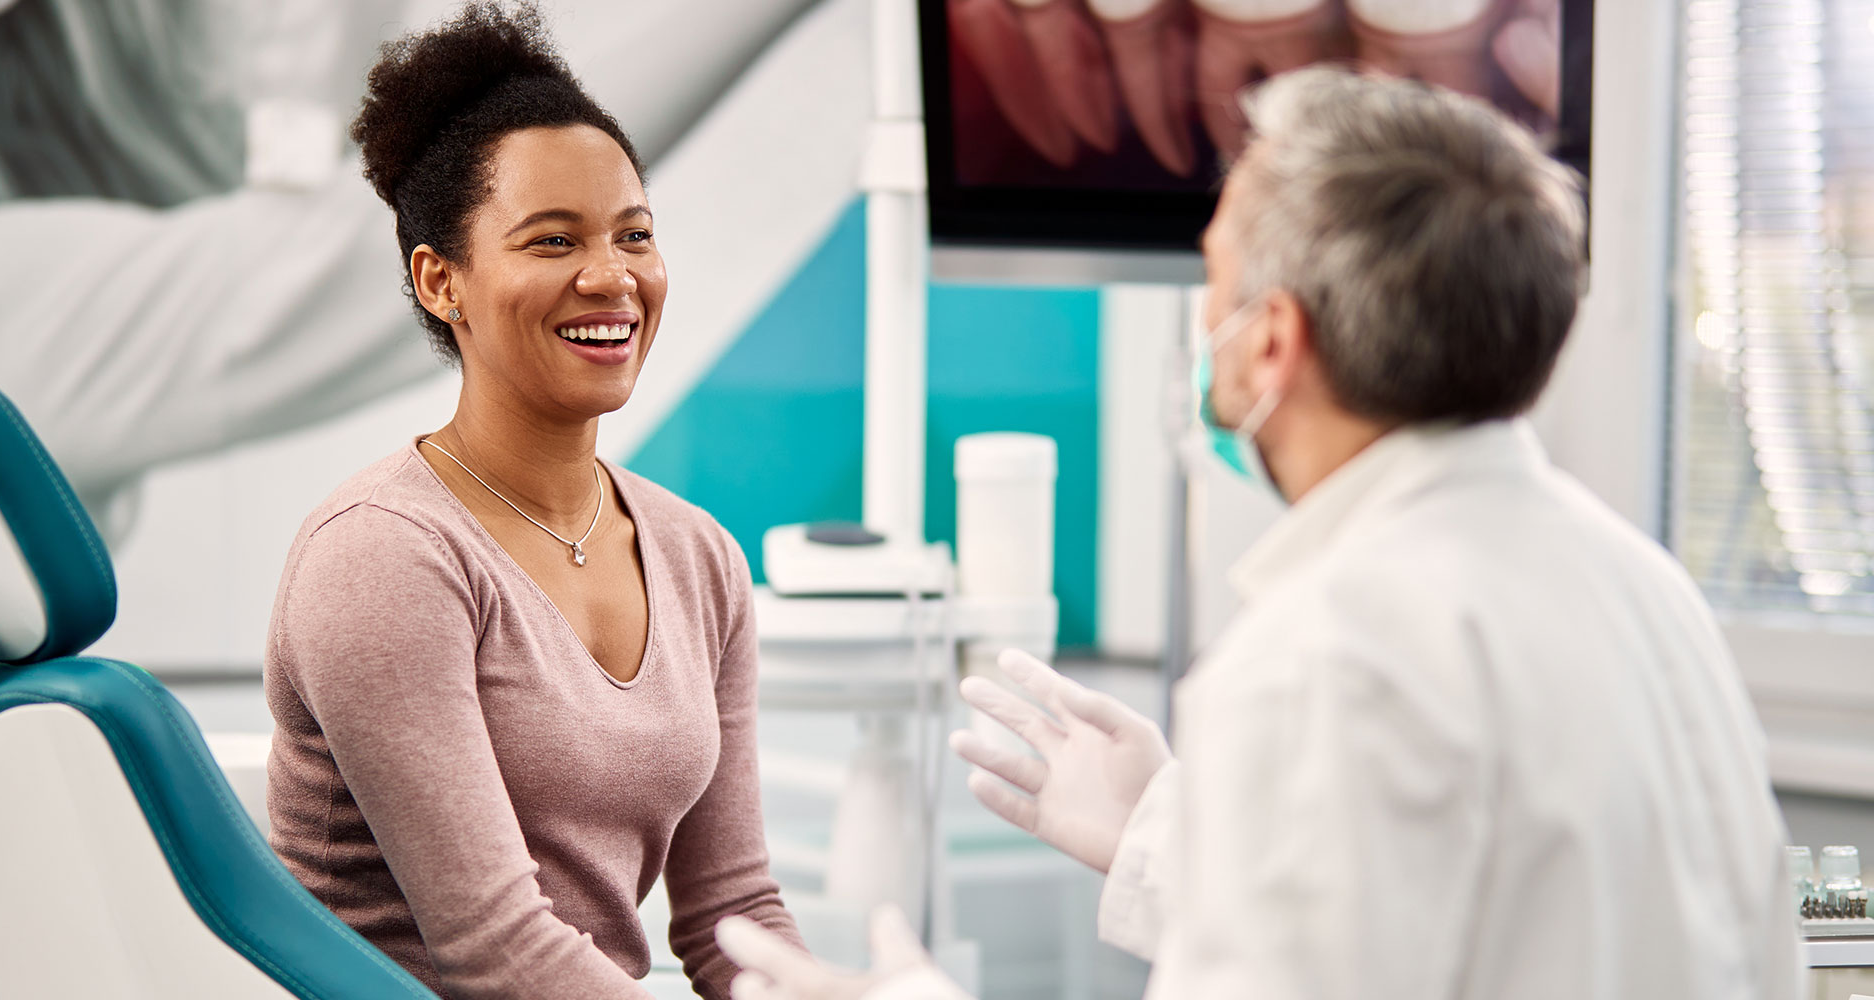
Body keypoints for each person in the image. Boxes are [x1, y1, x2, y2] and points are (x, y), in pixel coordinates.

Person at [714, 67, 1804, 1000]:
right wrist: (1162, 833)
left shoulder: (1322, 657)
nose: (1204, 324)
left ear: (1271, 339)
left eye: (1215, 280)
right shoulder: (1649, 594)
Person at [262, 5, 803, 998]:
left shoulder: (697, 555)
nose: (611, 277)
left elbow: (735, 916)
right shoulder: (383, 553)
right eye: (552, 242)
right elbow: (495, 951)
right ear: (441, 282)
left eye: (632, 234)